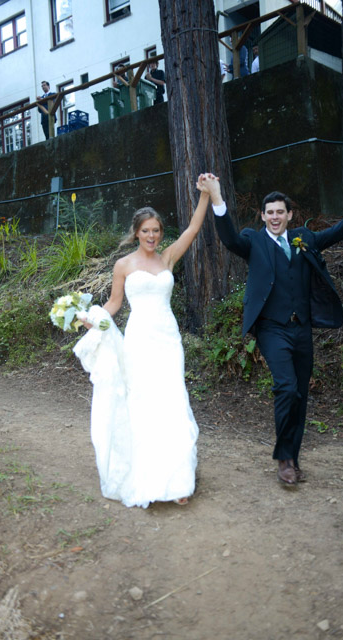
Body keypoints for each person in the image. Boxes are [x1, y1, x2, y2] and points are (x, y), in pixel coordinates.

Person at [199, 173, 343, 488]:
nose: (275, 217)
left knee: (300, 394)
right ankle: (284, 459)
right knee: (286, 387)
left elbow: (340, 230)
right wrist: (217, 197)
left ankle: (294, 458)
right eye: (269, 212)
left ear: (289, 215)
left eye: (280, 212)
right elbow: (230, 239)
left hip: (301, 330)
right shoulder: (254, 241)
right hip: (271, 330)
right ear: (262, 216)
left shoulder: (305, 238)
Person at [74, 177, 211, 508]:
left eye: (157, 231)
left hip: (167, 338)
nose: (152, 236)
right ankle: (148, 476)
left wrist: (205, 195)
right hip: (139, 340)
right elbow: (114, 304)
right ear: (136, 232)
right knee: (144, 403)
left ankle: (178, 480)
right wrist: (91, 318)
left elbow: (193, 229)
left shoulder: (167, 259)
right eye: (146, 231)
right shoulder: (124, 265)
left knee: (172, 399)